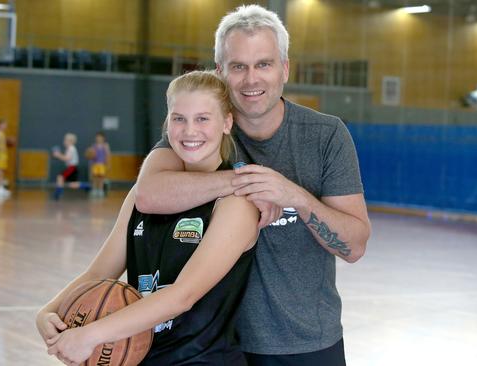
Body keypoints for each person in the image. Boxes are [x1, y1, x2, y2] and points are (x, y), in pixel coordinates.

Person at [135, 5, 371, 365]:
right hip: (214, 346)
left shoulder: (326, 135)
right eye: (238, 66)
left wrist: (294, 195)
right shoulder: (201, 131)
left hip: (305, 343)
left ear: (284, 69)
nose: (251, 79)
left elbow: (354, 246)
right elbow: (149, 195)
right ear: (220, 72)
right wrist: (240, 182)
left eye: (263, 64)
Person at [36, 70, 259, 365]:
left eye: (203, 119)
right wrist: (49, 312)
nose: (190, 131)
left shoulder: (236, 204)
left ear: (226, 122)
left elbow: (183, 296)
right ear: (168, 124)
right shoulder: (145, 195)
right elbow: (97, 275)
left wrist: (91, 335)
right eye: (179, 118)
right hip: (141, 358)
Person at [52, 133, 88, 200]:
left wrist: (58, 155)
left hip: (72, 168)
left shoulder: (71, 148)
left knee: (60, 177)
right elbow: (66, 158)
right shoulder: (70, 149)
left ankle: (57, 194)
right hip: (72, 168)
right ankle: (87, 186)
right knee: (72, 184)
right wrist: (59, 155)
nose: (64, 142)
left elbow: (67, 158)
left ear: (71, 141)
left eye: (65, 140)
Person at [86, 131, 111, 198]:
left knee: (101, 177)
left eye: (100, 137)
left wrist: (108, 164)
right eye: (98, 137)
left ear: (103, 138)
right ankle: (94, 190)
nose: (99, 139)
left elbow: (107, 155)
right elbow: (91, 156)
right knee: (95, 177)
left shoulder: (105, 145)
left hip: (102, 164)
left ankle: (100, 190)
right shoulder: (94, 146)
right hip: (95, 164)